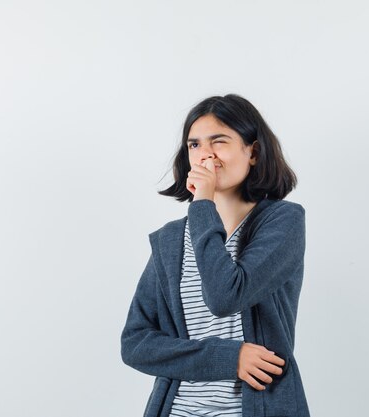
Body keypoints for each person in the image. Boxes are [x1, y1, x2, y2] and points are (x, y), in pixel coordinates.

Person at [120, 94, 310, 417]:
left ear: (253, 151)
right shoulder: (170, 241)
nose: (205, 155)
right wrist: (229, 357)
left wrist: (203, 205)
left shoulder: (283, 222)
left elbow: (225, 295)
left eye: (218, 141)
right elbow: (135, 343)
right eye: (194, 145)